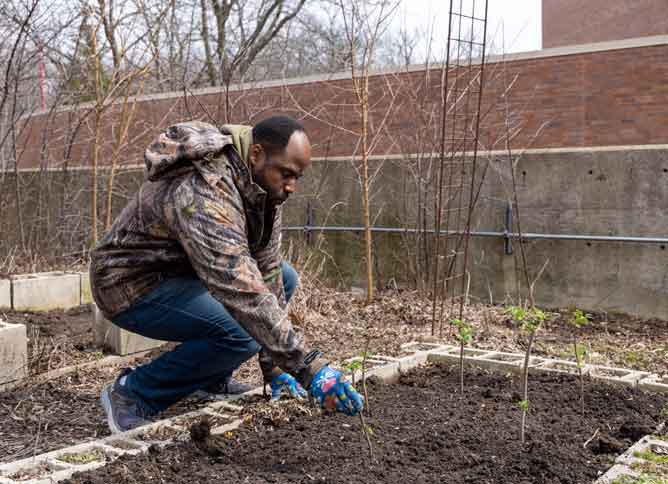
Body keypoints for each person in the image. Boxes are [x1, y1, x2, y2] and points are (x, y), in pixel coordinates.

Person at [90, 116, 363, 433]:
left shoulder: (262, 189)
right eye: (286, 174)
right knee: (240, 332)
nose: (291, 186)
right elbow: (242, 292)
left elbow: (268, 270)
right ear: (257, 154)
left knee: (285, 277)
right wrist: (309, 368)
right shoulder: (206, 191)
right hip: (129, 284)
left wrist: (275, 367)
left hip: (182, 272)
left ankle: (212, 377)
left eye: (298, 177)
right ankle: (133, 392)